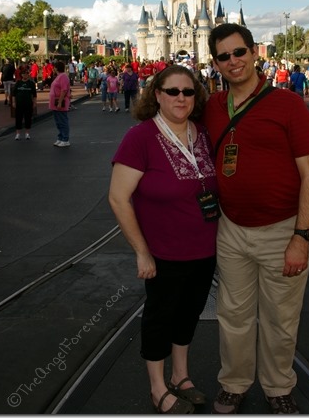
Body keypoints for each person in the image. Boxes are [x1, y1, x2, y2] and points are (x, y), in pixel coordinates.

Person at [203, 23, 309, 415]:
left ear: (254, 52)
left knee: (280, 318)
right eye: (224, 56)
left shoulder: (287, 104)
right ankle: (234, 383)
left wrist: (301, 237)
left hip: (281, 230)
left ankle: (277, 386)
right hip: (232, 228)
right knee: (232, 315)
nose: (234, 62)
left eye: (240, 52)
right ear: (216, 63)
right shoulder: (214, 107)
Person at [109, 65, 219, 414]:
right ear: (157, 95)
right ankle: (158, 387)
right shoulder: (140, 138)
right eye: (173, 91)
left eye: (188, 92)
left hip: (204, 248)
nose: (181, 98)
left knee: (190, 312)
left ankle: (181, 376)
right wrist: (142, 252)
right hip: (164, 251)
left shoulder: (201, 134)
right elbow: (117, 197)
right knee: (161, 316)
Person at [12, 65, 37, 140]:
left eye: (26, 73)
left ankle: (27, 133)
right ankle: (18, 134)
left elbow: (34, 94)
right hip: (19, 103)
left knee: (28, 118)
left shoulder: (31, 83)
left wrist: (34, 103)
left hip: (28, 103)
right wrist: (13, 102)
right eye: (23, 74)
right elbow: (14, 94)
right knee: (18, 119)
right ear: (21, 75)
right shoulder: (18, 83)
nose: (25, 75)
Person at [49, 61, 71, 147]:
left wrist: (60, 101)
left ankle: (65, 139)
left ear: (56, 68)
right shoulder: (58, 76)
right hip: (55, 102)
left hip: (59, 101)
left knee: (62, 120)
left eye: (54, 67)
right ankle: (61, 137)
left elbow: (64, 90)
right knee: (58, 121)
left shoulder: (63, 77)